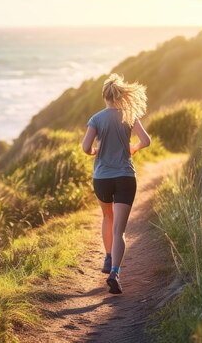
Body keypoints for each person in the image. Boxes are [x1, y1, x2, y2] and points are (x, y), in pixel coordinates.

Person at [81, 73, 151, 294]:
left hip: (102, 178)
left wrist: (94, 152)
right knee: (119, 229)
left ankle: (108, 255)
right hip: (125, 177)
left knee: (107, 217)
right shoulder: (129, 116)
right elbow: (146, 141)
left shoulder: (96, 119)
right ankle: (115, 272)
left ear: (105, 96)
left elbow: (85, 147)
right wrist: (133, 148)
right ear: (120, 95)